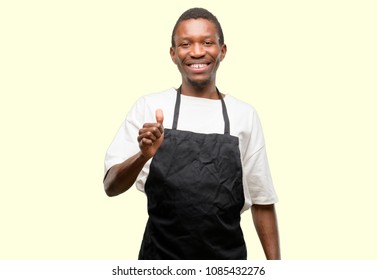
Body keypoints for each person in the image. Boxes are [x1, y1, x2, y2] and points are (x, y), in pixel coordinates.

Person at [104, 7, 280, 260]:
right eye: (186, 44)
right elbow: (111, 186)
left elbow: (262, 201)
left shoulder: (244, 115)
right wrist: (143, 156)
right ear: (173, 54)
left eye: (207, 42)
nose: (197, 52)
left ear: (222, 51)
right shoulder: (150, 107)